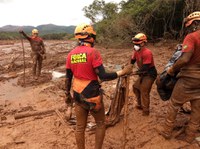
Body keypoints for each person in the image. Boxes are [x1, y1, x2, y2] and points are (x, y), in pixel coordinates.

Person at [65, 23, 132, 149]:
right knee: (101, 123)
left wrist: (67, 96)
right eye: (93, 36)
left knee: (80, 127)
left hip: (77, 94)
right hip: (92, 96)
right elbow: (104, 76)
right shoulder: (93, 52)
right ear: (89, 37)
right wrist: (122, 72)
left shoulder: (71, 54)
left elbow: (68, 78)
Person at [159, 11, 200, 143]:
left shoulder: (191, 37)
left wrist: (172, 70)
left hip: (188, 78)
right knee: (197, 109)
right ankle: (190, 135)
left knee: (174, 104)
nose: (188, 28)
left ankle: (166, 131)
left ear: (195, 23)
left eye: (189, 25)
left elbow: (184, 59)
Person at [131, 33, 157, 116]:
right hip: (142, 73)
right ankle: (140, 105)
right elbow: (132, 60)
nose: (135, 45)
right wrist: (129, 67)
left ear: (143, 43)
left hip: (150, 74)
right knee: (135, 87)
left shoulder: (147, 52)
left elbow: (145, 67)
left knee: (144, 90)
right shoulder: (136, 51)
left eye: (137, 44)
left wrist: (134, 73)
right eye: (134, 44)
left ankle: (146, 111)